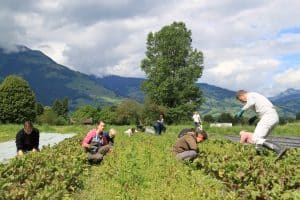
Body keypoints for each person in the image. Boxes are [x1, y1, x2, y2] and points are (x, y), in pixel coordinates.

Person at [235, 90, 286, 160]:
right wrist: (254, 117)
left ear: (242, 95)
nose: (243, 102)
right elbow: (262, 109)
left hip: (268, 117)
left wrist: (242, 110)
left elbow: (251, 103)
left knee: (255, 138)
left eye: (241, 100)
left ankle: (279, 149)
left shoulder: (250, 95)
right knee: (259, 143)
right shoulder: (255, 96)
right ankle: (260, 159)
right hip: (273, 117)